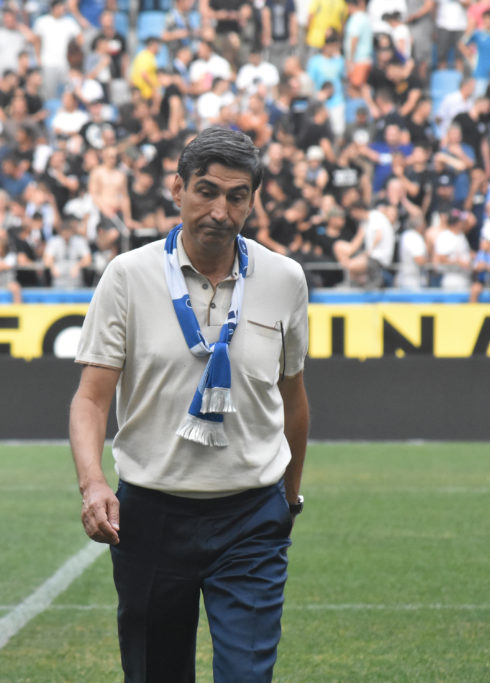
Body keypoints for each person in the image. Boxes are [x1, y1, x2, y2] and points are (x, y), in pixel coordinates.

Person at [68, 128, 310, 682]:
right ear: (177, 189)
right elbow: (90, 398)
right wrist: (94, 483)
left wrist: (288, 497)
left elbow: (292, 398)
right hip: (150, 516)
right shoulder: (127, 276)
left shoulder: (284, 278)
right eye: (206, 191)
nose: (220, 211)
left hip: (251, 518)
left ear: (252, 200)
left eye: (236, 196)